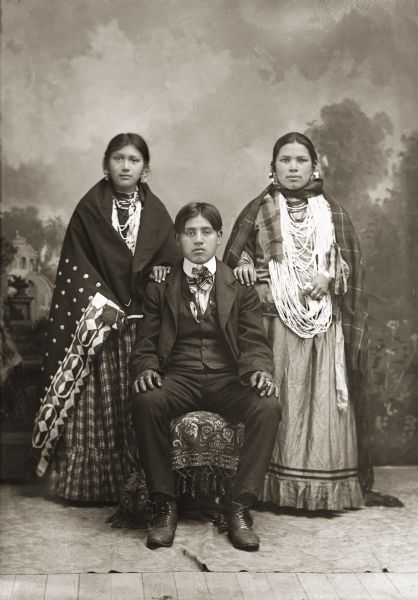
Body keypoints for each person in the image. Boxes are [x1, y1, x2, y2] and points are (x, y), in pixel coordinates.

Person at [223, 131, 371, 510]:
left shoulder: (331, 212)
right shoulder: (259, 210)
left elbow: (346, 264)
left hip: (322, 327)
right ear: (272, 168)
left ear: (314, 166)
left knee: (320, 407)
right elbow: (237, 257)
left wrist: (328, 276)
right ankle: (266, 489)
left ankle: (319, 492)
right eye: (285, 160)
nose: (292, 167)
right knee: (278, 403)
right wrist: (245, 268)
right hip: (274, 328)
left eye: (300, 160)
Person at [31, 133, 181, 501]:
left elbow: (170, 261)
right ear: (106, 164)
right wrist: (105, 304)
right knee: (97, 406)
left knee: (135, 403)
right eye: (118, 159)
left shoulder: (157, 212)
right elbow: (75, 266)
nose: (126, 166)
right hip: (99, 325)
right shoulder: (90, 208)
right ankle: (92, 486)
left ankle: (136, 485)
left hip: (141, 327)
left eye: (134, 160)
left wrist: (160, 275)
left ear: (146, 169)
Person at [130, 202, 281, 550]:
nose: (198, 240)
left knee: (268, 406)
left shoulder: (239, 284)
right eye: (190, 233)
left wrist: (259, 371)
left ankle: (239, 508)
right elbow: (146, 344)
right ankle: (164, 507)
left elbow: (254, 341)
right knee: (146, 400)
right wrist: (146, 369)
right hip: (178, 377)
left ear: (219, 237)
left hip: (227, 380)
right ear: (178, 238)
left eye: (206, 232)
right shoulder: (161, 284)